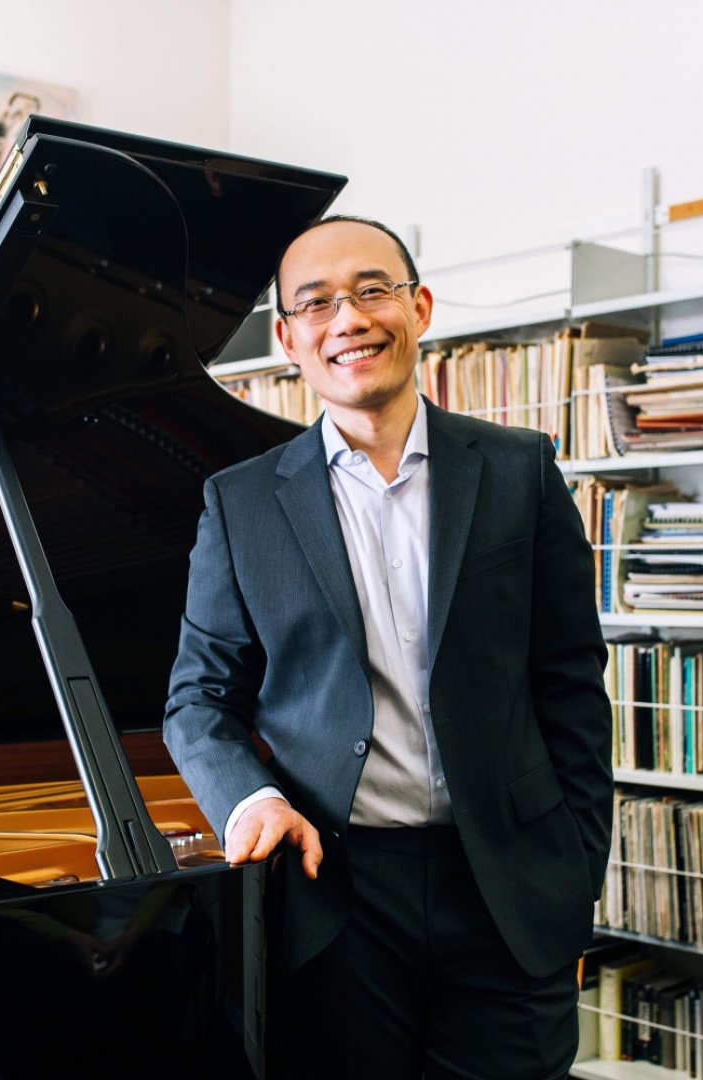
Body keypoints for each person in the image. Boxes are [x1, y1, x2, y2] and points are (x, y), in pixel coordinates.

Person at [164, 215, 613, 1079]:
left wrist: (573, 870)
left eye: (373, 290)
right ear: (289, 336)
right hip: (337, 894)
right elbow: (198, 698)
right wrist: (247, 800)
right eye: (318, 303)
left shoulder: (521, 470)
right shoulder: (241, 502)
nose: (350, 319)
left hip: (507, 886)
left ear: (420, 305)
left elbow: (571, 687)